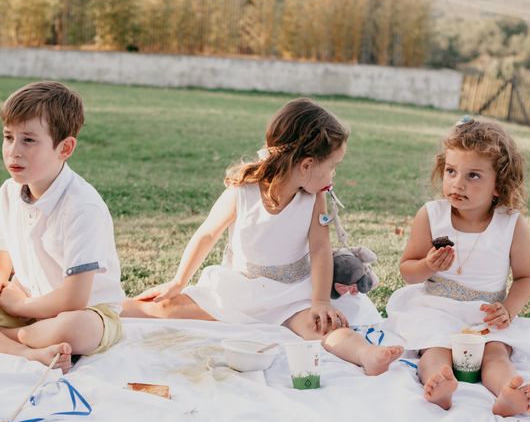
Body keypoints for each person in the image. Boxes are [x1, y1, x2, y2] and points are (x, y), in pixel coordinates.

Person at [122, 98, 403, 376]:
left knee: (324, 328)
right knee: (164, 307)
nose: (334, 174)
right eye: (332, 165)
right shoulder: (243, 191)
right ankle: (102, 311)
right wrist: (178, 281)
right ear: (306, 165)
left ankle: (367, 354)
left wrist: (319, 301)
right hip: (238, 290)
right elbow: (207, 233)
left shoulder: (314, 198)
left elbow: (320, 249)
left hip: (292, 295)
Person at [0, 81, 125, 373]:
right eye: (8, 137)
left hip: (82, 311)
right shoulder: (9, 192)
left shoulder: (82, 206)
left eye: (28, 140)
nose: (14, 151)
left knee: (77, 329)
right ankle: (24, 352)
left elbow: (74, 298)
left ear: (65, 148)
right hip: (25, 305)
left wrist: (20, 308)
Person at [386, 116, 530, 416]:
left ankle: (508, 391)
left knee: (495, 354)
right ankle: (440, 384)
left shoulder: (510, 224)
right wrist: (428, 266)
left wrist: (508, 308)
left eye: (473, 176)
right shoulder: (431, 215)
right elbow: (407, 270)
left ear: (499, 185)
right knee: (434, 348)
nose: (458, 183)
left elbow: (525, 276)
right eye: (451, 171)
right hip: (436, 307)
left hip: (485, 315)